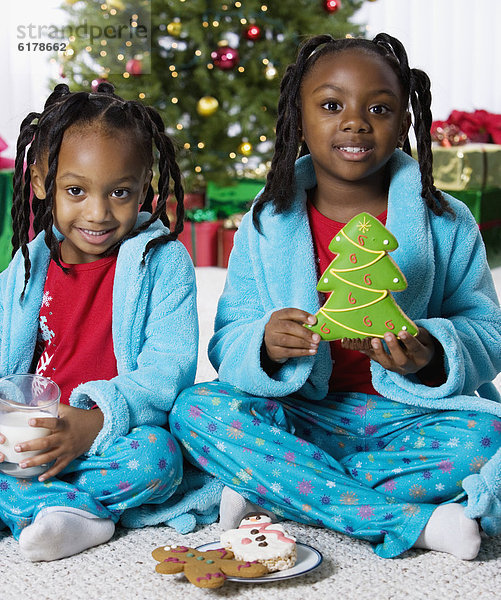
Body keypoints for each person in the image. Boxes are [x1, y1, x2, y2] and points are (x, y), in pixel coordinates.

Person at [170, 33, 501, 560]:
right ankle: (411, 522)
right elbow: (229, 335)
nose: (355, 121)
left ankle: (279, 486)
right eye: (330, 105)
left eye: (379, 108)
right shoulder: (266, 222)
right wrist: (265, 344)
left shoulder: (447, 221)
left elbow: (488, 331)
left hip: (408, 418)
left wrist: (434, 350)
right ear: (298, 120)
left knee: (489, 442)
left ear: (406, 122)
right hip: (302, 415)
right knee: (195, 410)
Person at [0, 82, 198, 561]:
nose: (98, 212)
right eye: (76, 190)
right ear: (43, 180)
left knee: (160, 458)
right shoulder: (26, 266)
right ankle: (67, 510)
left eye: (120, 192)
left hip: (112, 435)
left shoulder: (163, 261)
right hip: (32, 437)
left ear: (144, 184)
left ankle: (54, 511)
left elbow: (169, 371)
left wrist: (94, 421)